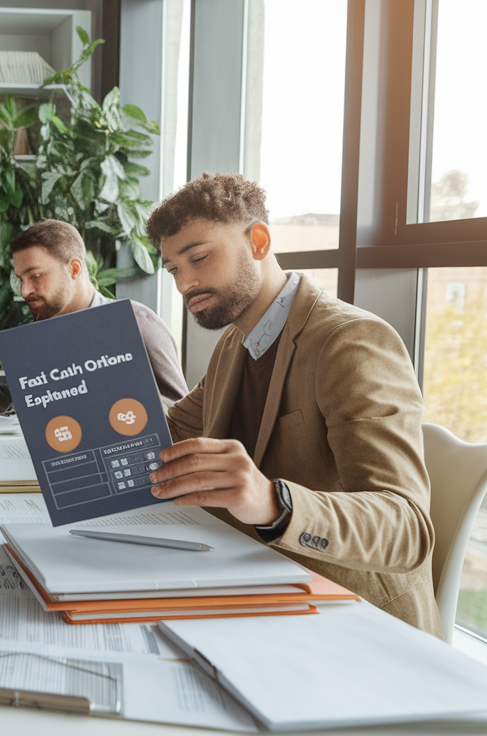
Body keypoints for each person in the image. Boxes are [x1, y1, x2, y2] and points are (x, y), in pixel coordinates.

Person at [145, 172, 440, 636]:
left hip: (353, 620)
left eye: (198, 258)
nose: (185, 283)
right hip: (257, 590)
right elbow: (170, 435)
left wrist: (272, 501)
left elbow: (406, 529)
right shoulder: (235, 344)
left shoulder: (351, 342)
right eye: (174, 269)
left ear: (258, 241)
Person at [0, 219, 187, 414]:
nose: (25, 291)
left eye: (36, 276)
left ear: (74, 268)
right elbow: (31, 391)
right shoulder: (40, 329)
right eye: (21, 280)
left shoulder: (136, 323)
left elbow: (183, 413)